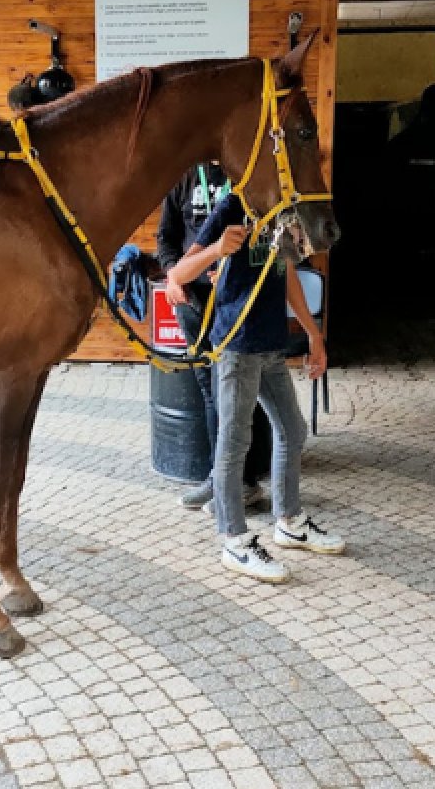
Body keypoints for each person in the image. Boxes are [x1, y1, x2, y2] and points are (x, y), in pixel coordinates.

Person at [165, 193, 346, 582]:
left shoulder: (280, 212)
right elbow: (178, 274)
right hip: (236, 347)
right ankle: (234, 540)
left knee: (292, 430)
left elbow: (288, 276)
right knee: (233, 444)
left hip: (270, 346)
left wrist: (314, 335)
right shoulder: (232, 207)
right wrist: (217, 249)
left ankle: (289, 521)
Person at [156, 163, 263, 510]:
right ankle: (220, 477)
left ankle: (242, 479)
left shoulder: (242, 176)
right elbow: (166, 238)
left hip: (232, 301)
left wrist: (235, 272)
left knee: (236, 388)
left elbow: (261, 238)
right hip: (192, 300)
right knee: (209, 388)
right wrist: (175, 278)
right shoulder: (184, 175)